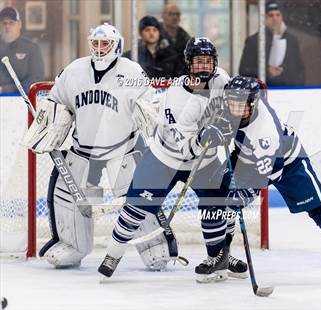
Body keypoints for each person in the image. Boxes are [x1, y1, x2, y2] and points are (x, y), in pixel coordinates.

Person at [98, 37, 247, 283]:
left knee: (220, 205)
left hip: (206, 161)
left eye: (208, 62)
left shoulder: (221, 78)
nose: (204, 67)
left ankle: (220, 256)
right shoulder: (176, 98)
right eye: (198, 62)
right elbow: (186, 149)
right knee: (135, 209)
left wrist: (230, 119)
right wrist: (203, 137)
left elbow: (233, 105)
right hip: (165, 159)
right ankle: (113, 255)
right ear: (188, 64)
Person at [217, 75, 321, 284]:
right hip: (249, 156)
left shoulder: (266, 131)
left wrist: (245, 193)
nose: (235, 108)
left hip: (287, 164)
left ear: (253, 103)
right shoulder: (236, 107)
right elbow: (255, 86)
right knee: (221, 199)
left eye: (240, 104)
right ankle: (221, 255)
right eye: (232, 102)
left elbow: (270, 171)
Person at [21, 23, 158, 268]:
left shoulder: (132, 72)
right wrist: (49, 125)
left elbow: (151, 105)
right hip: (82, 148)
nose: (99, 48)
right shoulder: (74, 71)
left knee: (138, 196)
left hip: (123, 149)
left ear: (117, 45)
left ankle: (154, 246)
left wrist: (151, 121)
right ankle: (72, 245)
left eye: (105, 43)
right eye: (95, 43)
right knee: (66, 194)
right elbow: (57, 101)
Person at [238, 0, 304, 87]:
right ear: (264, 18)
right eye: (271, 15)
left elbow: (299, 69)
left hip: (289, 92)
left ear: (282, 17)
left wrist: (298, 88)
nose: (275, 18)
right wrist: (267, 72)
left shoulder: (292, 41)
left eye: (278, 15)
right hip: (264, 92)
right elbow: (244, 71)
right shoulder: (254, 41)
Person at [123, 15, 184, 80]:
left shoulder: (171, 55)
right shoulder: (132, 55)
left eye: (155, 30)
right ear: (141, 33)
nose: (151, 33)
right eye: (147, 30)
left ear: (159, 33)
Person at [0, 6, 44, 94]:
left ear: (19, 24)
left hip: (21, 101)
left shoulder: (31, 48)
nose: (7, 26)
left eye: (11, 23)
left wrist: (4, 90)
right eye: (4, 23)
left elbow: (35, 82)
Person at [160, 4, 191, 74]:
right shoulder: (154, 35)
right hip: (157, 78)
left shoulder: (186, 38)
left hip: (180, 78)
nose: (175, 17)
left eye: (177, 14)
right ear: (163, 16)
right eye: (170, 14)